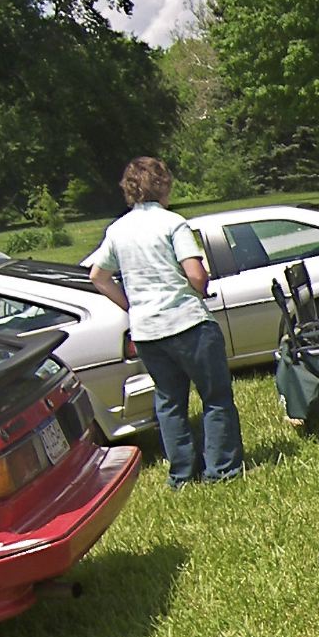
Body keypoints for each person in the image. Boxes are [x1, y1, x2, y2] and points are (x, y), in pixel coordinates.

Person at [87, 157, 244, 486]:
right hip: (187, 323)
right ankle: (221, 469)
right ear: (163, 186)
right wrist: (200, 288)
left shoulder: (117, 230)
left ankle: (182, 474)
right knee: (215, 397)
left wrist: (131, 305)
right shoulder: (173, 223)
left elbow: (98, 276)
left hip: (147, 331)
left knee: (170, 402)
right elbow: (196, 274)